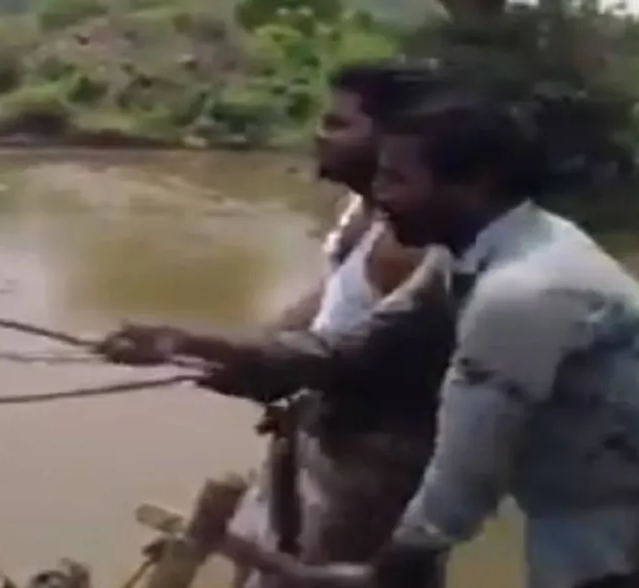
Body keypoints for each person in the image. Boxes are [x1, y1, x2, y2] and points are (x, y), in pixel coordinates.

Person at [284, 96, 639, 588]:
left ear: (474, 186)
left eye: (398, 180)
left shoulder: (522, 292)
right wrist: (227, 350)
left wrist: (400, 561)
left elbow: (468, 464)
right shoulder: (481, 250)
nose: (379, 195)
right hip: (594, 498)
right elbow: (375, 338)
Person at [95, 60, 448, 588]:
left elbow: (354, 356)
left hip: (366, 473)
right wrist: (239, 352)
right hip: (311, 438)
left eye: (338, 124)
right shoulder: (363, 215)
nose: (318, 134)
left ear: (395, 140)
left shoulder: (416, 246)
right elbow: (322, 306)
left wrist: (198, 346)